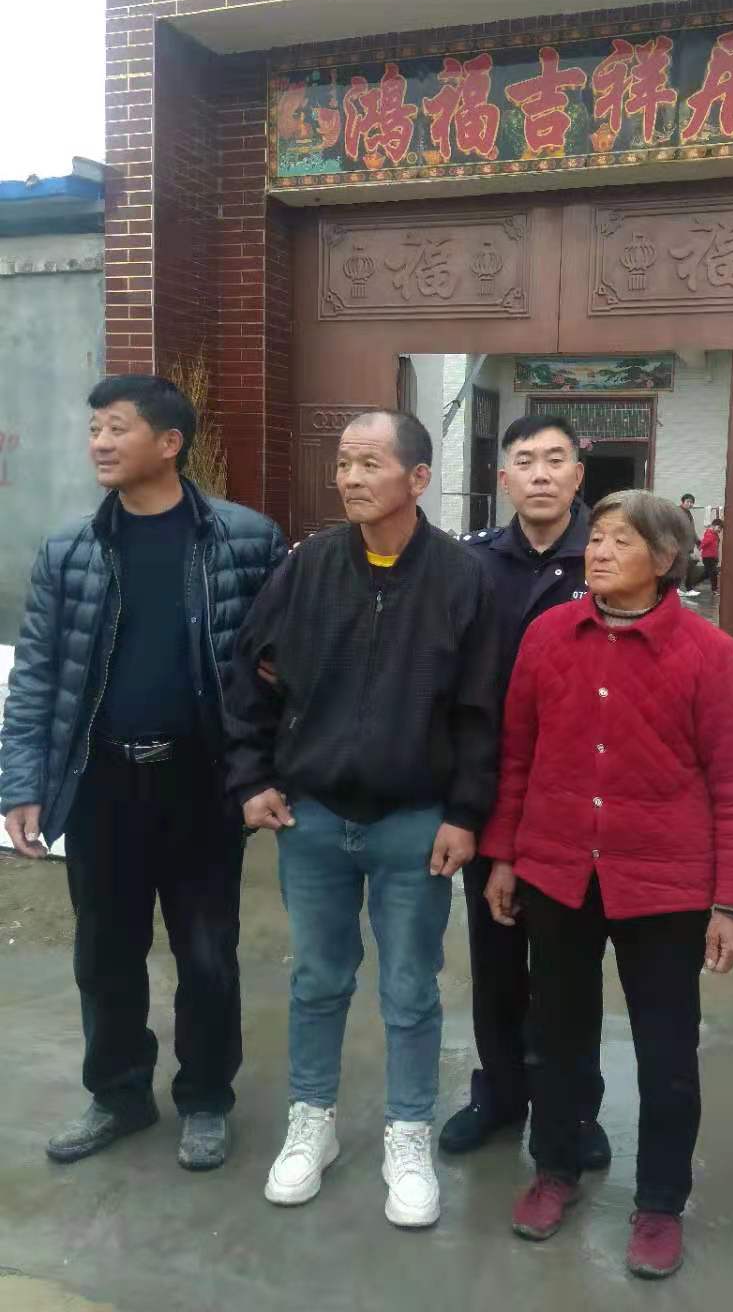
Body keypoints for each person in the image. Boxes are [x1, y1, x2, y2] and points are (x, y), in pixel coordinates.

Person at [0, 375, 286, 1172]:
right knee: (105, 955)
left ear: (169, 443)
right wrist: (20, 784)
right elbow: (39, 675)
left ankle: (206, 1098)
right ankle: (119, 1093)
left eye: (116, 427)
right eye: (94, 427)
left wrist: (265, 773)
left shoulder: (244, 540)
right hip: (101, 785)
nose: (99, 442)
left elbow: (277, 671)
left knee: (207, 954)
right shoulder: (70, 550)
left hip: (201, 784)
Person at [224, 409, 500, 1228]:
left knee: (411, 988)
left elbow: (482, 711)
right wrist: (251, 778)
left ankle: (407, 1135)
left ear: (418, 479)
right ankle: (312, 1122)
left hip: (414, 822)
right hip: (311, 819)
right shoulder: (307, 567)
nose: (350, 478)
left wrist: (465, 813)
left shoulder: (461, 579)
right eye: (344, 463)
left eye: (370, 463)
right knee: (317, 979)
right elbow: (250, 675)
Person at [481, 490, 733, 1278]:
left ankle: (661, 1203)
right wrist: (505, 856)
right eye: (597, 538)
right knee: (557, 1037)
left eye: (620, 541)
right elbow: (517, 755)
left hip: (666, 888)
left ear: (665, 559)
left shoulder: (708, 653)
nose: (599, 552)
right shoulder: (548, 636)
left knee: (667, 1052)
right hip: (558, 873)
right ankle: (556, 1168)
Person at [440, 415, 610, 1170]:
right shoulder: (471, 563)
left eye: (555, 460)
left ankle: (575, 1107)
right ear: (503, 477)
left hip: (582, 798)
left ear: (579, 475)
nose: (541, 474)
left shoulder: (610, 557)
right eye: (525, 461)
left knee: (572, 967)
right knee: (497, 954)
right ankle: (501, 1093)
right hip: (494, 787)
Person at [678, 492, 701, 597]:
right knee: (680, 567)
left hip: (688, 546)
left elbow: (692, 530)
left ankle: (688, 589)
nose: (690, 504)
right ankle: (677, 588)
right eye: (688, 502)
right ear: (682, 502)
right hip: (680, 546)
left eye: (692, 502)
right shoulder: (678, 512)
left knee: (690, 566)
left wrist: (697, 541)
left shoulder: (688, 514)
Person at [700, 515, 724, 595]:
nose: (719, 530)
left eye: (721, 529)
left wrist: (717, 557)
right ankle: (714, 590)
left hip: (713, 557)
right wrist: (700, 547)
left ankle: (693, 581)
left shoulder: (715, 535)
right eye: (719, 527)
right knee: (713, 573)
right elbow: (704, 543)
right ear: (713, 526)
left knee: (708, 573)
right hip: (708, 557)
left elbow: (716, 547)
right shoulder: (709, 533)